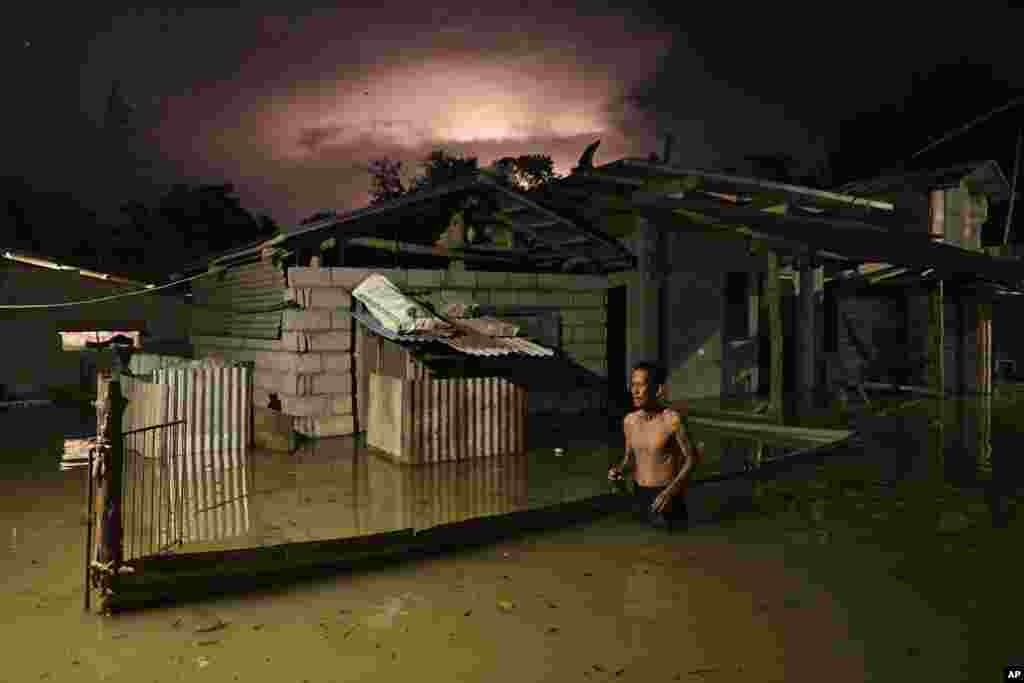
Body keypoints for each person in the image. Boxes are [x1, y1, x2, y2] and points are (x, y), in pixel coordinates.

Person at [608, 362, 699, 530]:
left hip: (668, 500)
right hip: (639, 497)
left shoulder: (672, 420)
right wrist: (618, 470)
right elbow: (630, 460)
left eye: (640, 385)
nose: (634, 391)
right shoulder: (629, 421)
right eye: (633, 385)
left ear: (657, 389)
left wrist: (670, 492)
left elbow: (692, 460)